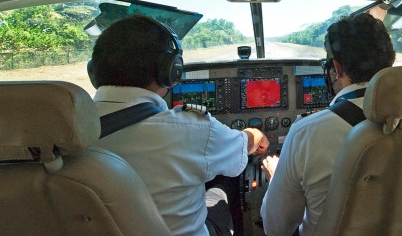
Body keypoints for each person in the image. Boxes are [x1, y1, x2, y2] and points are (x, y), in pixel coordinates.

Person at [89, 15, 269, 236]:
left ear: (93, 71)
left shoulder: (56, 136)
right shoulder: (194, 129)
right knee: (223, 185)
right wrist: (255, 134)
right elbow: (241, 150)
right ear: (170, 71)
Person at [260, 13, 396, 236]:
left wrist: (276, 178)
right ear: (389, 63)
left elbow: (276, 228)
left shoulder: (306, 132)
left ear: (337, 68)